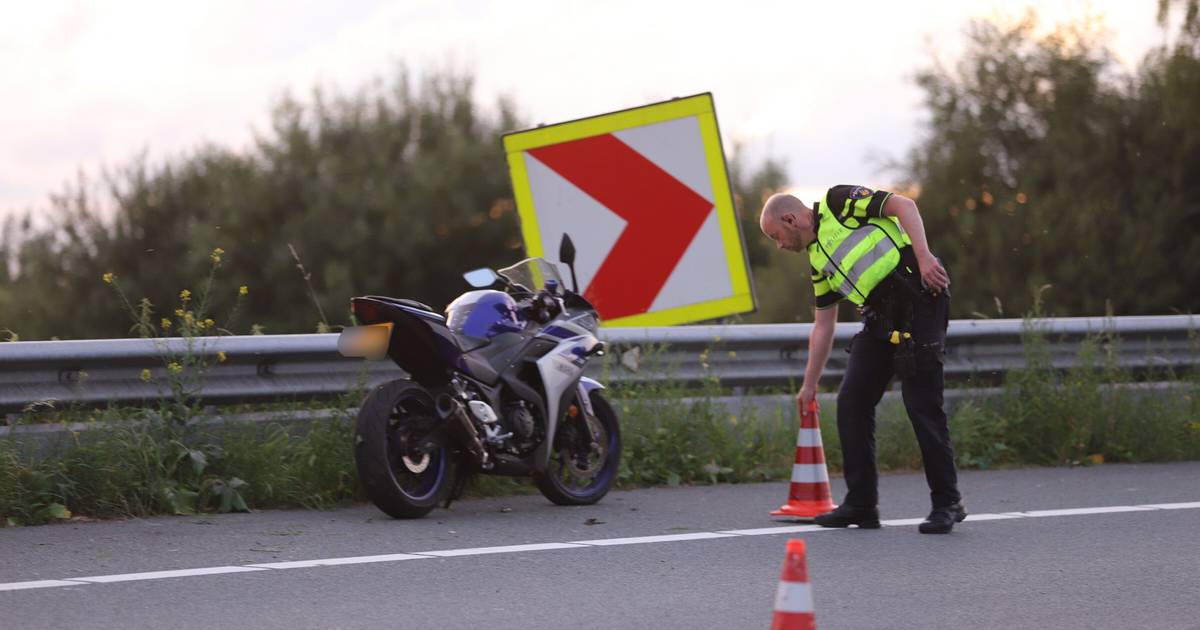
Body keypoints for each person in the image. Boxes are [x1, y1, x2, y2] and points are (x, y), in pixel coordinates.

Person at [759, 185, 966, 534]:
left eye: (776, 236)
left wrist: (925, 256)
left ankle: (947, 503)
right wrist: (809, 386)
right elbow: (823, 326)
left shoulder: (838, 203)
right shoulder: (817, 261)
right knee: (852, 401)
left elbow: (904, 205)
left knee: (921, 403)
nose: (779, 245)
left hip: (921, 296)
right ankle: (861, 505)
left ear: (791, 218)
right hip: (880, 319)